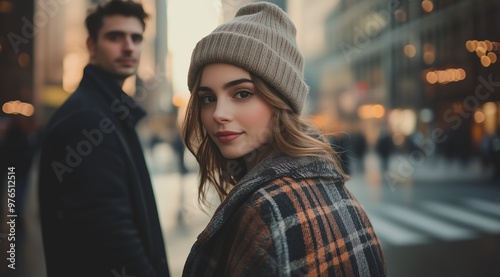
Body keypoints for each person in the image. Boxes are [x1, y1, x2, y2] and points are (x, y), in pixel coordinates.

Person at [181, 2, 386, 276]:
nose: (218, 114)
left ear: (280, 101)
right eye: (208, 98)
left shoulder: (263, 212)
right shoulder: (335, 190)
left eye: (242, 93)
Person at [37, 1, 169, 276]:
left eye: (136, 38)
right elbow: (112, 232)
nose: (128, 46)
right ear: (91, 45)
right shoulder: (88, 119)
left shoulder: (106, 111)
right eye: (115, 36)